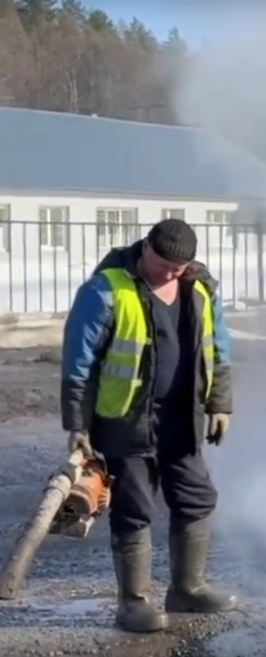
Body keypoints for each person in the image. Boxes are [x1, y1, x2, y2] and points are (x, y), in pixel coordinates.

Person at [60, 219, 235, 634]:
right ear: (146, 249)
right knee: (134, 507)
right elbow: (78, 361)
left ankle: (187, 588)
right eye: (165, 266)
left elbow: (219, 347)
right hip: (127, 419)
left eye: (180, 267)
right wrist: (78, 425)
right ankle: (134, 603)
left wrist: (220, 404)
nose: (172, 274)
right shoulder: (106, 290)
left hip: (182, 418)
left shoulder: (201, 287)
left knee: (196, 498)